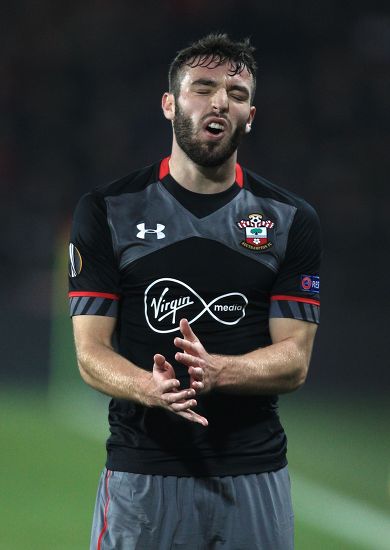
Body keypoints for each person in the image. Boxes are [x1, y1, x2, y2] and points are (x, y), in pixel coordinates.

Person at [69, 33, 321, 550]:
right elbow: (90, 352)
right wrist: (147, 387)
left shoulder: (289, 220)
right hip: (145, 475)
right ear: (169, 104)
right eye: (202, 87)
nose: (220, 102)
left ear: (251, 114)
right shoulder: (108, 210)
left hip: (255, 474)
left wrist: (220, 371)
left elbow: (295, 361)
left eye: (237, 93)